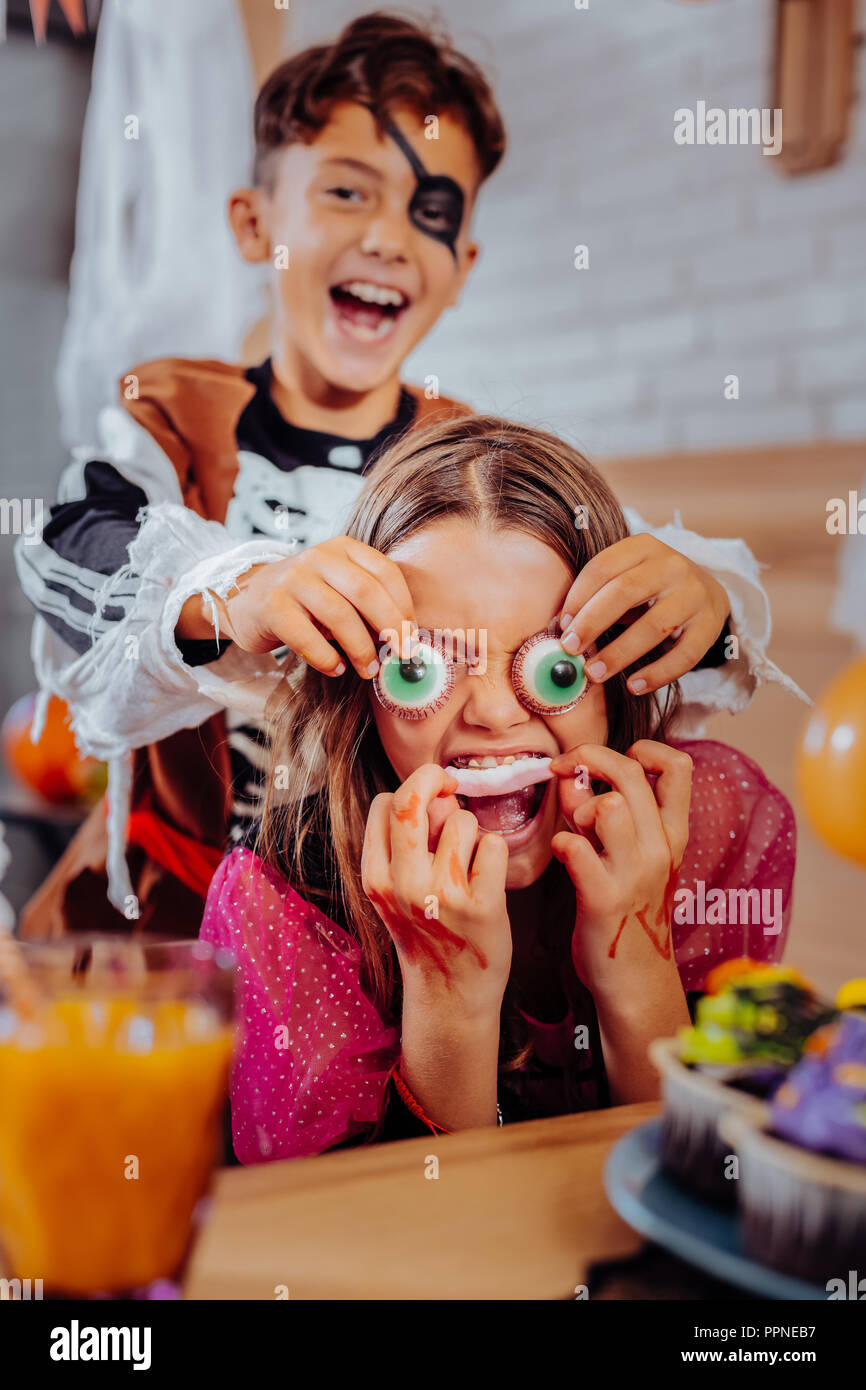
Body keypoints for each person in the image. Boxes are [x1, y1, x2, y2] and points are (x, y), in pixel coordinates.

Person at [15, 12, 798, 939]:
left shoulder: (476, 467)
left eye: (431, 212)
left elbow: (645, 600)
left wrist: (697, 601)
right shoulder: (172, 421)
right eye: (349, 192)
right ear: (253, 222)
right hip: (174, 940)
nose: (390, 237)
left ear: (460, 267)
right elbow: (70, 553)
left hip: (402, 964)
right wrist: (233, 592)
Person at [199, 414, 796, 1163]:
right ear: (361, 690)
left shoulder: (716, 820)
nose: (491, 713)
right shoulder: (279, 896)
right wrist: (450, 1001)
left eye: (555, 668)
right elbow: (373, 1254)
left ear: (619, 680)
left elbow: (707, 1187)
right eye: (422, 672)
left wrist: (638, 958)